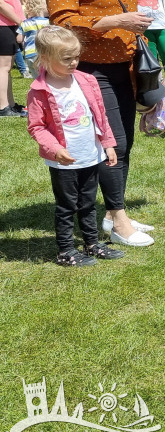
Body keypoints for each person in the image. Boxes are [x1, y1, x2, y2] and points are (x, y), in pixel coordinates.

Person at [41, 0, 155, 247]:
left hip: (125, 66)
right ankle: (119, 221)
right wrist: (117, 22)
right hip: (91, 70)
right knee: (113, 142)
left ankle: (110, 212)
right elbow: (62, 23)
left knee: (126, 142)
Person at [26, 26, 125, 266]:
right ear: (46, 58)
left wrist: (107, 144)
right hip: (63, 161)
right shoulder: (40, 91)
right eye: (66, 58)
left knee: (89, 202)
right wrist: (55, 149)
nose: (73, 63)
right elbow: (36, 127)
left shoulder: (86, 80)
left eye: (76, 57)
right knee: (67, 206)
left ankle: (92, 244)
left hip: (90, 155)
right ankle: (66, 250)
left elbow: (100, 116)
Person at [0, 0, 26, 117]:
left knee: (7, 67)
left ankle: (10, 104)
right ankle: (3, 107)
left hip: (10, 26)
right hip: (2, 26)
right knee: (2, 67)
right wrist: (21, 22)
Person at [17, 0, 48, 77]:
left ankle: (38, 90)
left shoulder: (25, 23)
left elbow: (19, 39)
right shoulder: (47, 22)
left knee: (37, 78)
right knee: (47, 77)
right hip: (43, 53)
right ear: (42, 7)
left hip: (29, 55)